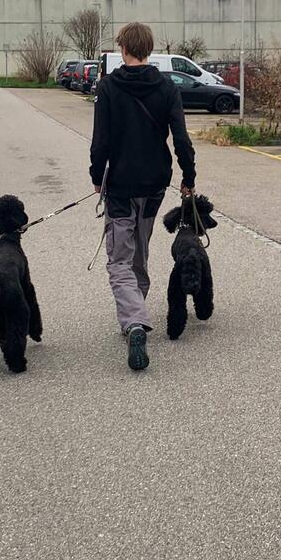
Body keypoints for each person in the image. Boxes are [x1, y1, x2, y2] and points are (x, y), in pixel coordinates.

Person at [89, 22, 197, 371]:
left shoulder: (108, 87)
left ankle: (134, 320)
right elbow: (181, 139)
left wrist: (96, 177)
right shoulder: (167, 87)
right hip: (154, 185)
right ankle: (135, 312)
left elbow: (101, 140)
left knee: (119, 259)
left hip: (121, 185)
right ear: (148, 49)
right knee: (139, 250)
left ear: (123, 48)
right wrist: (189, 177)